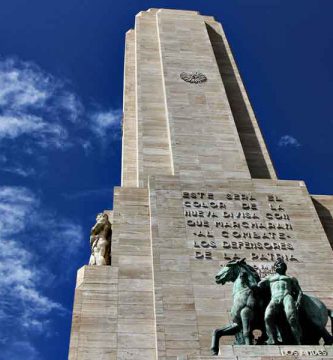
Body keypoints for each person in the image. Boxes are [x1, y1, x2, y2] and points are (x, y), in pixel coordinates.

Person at [258, 258, 302, 344]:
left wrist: (298, 301)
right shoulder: (270, 278)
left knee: (292, 319)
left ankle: (298, 341)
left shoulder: (290, 278)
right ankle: (273, 340)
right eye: (276, 264)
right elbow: (258, 285)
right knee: (267, 317)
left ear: (284, 267)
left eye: (280, 264)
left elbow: (299, 291)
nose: (277, 266)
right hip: (274, 298)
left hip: (287, 296)